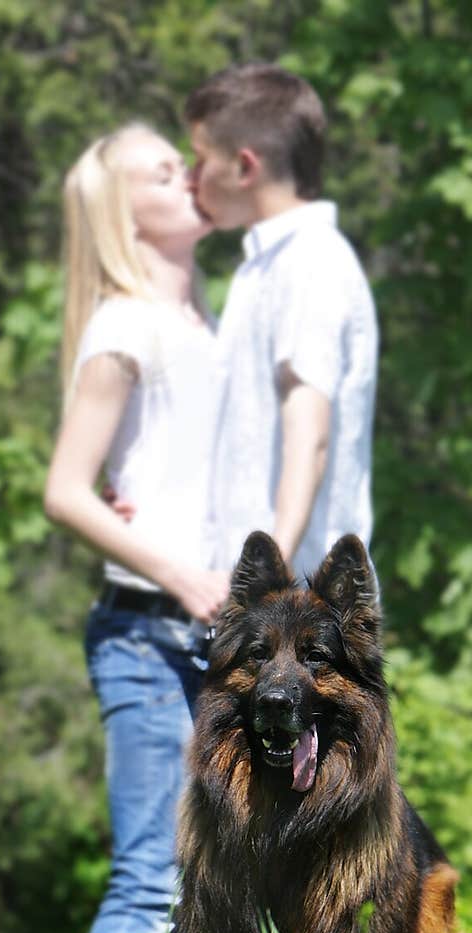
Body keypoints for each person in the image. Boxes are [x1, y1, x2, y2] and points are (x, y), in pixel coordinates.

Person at [43, 124, 229, 933]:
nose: (190, 175)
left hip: (210, 638)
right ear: (125, 216)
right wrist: (183, 575)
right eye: (164, 171)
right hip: (150, 636)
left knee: (208, 880)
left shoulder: (210, 321)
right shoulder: (125, 324)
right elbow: (65, 490)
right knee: (153, 879)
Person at [185, 63, 379, 579]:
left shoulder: (311, 262)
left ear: (245, 167)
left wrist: (269, 571)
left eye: (200, 159)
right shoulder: (264, 268)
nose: (191, 177)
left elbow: (309, 434)